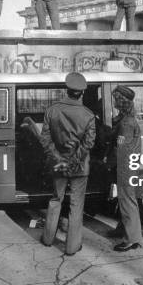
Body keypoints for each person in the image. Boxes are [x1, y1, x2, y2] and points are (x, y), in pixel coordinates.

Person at [41, 72, 96, 255]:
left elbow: (45, 140)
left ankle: (48, 239)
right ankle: (72, 247)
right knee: (76, 204)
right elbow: (88, 143)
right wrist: (73, 160)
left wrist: (60, 159)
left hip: (58, 166)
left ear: (67, 90)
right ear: (81, 93)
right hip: (80, 167)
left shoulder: (52, 110)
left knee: (56, 199)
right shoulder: (88, 115)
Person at [110, 85, 143, 251]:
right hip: (130, 165)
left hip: (125, 166)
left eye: (115, 98)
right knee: (127, 200)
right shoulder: (128, 119)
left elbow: (122, 148)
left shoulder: (126, 123)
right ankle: (128, 231)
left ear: (120, 100)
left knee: (127, 201)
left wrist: (108, 160)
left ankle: (132, 239)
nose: (113, 101)